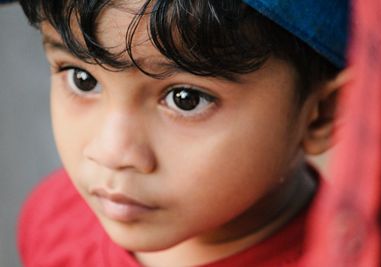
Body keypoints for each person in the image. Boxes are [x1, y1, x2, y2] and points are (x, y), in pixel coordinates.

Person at [17, 0, 349, 266]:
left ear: (321, 115)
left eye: (186, 99)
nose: (110, 152)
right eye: (81, 79)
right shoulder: (56, 220)